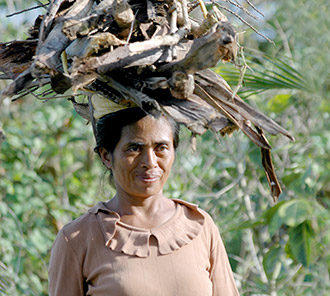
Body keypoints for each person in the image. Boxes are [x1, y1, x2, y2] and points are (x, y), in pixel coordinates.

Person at [48, 97, 240, 295]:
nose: (150, 162)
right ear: (106, 156)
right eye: (134, 148)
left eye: (161, 148)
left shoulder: (199, 227)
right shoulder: (77, 239)